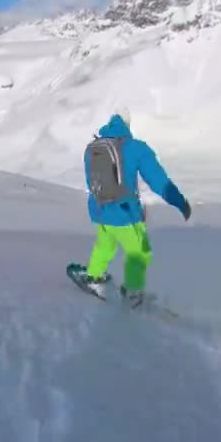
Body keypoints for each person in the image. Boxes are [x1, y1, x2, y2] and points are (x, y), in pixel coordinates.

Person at [81, 110, 191, 306]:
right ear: (127, 125)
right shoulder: (136, 148)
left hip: (100, 210)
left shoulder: (92, 148)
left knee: (105, 245)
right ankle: (132, 292)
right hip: (125, 214)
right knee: (140, 253)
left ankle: (94, 275)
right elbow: (158, 180)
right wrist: (179, 201)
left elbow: (91, 182)